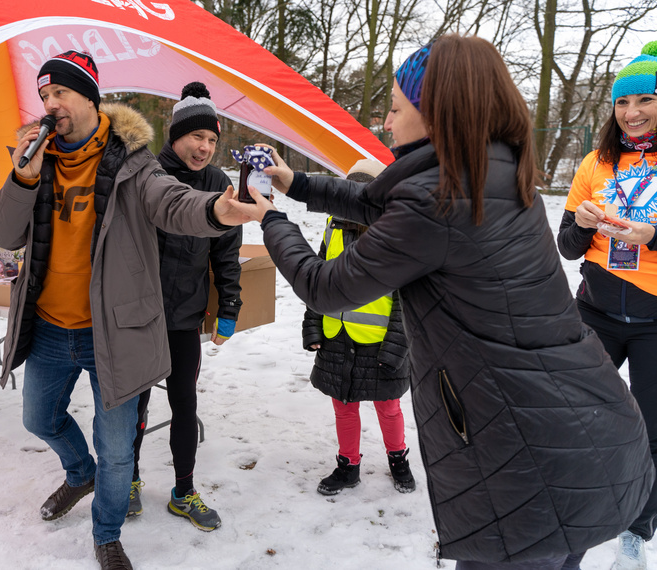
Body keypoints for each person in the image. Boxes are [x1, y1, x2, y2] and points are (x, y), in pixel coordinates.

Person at [229, 34, 654, 568]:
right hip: (577, 431)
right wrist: (295, 183)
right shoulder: (488, 168)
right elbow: (375, 200)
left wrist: (269, 218)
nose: (385, 121)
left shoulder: (440, 197)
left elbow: (325, 286)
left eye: (394, 107)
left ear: (435, 116)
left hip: (529, 459)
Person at [0, 51, 246, 570]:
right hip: (51, 330)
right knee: (39, 418)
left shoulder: (132, 163)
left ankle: (107, 533)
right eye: (43, 96)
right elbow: (1, 233)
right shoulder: (38, 158)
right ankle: (79, 474)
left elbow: (172, 202)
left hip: (116, 332)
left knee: (119, 450)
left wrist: (216, 208)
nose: (50, 104)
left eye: (59, 92)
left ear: (88, 97)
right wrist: (22, 179)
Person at [557, 41, 657, 570]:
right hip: (594, 309)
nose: (632, 113)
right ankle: (571, 513)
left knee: (651, 427)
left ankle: (637, 530)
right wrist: (583, 225)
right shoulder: (596, 163)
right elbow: (565, 245)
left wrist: (654, 234)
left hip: (653, 324)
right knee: (574, 417)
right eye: (622, 102)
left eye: (645, 100)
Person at [127, 82, 242, 531]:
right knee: (133, 404)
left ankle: (183, 490)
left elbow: (226, 251)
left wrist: (229, 305)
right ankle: (129, 481)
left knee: (184, 402)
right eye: (198, 137)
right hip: (142, 314)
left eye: (212, 140)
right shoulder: (149, 175)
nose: (205, 147)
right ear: (175, 135)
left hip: (186, 314)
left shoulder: (218, 184)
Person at [302, 159, 415, 497]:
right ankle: (348, 465)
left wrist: (396, 346)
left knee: (389, 407)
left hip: (380, 345)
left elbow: (406, 301)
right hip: (336, 338)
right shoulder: (332, 228)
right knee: (344, 407)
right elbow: (317, 281)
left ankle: (398, 460)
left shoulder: (396, 236)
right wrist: (313, 327)